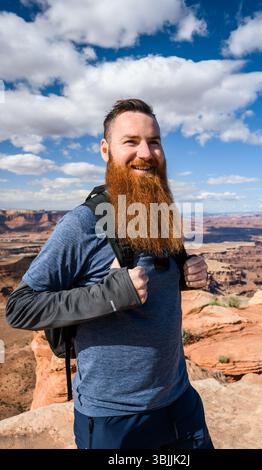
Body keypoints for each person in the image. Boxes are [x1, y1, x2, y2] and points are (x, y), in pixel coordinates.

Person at [6, 98, 214, 449]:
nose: (145, 152)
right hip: (115, 419)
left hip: (180, 404)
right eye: (130, 142)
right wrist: (108, 295)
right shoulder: (82, 223)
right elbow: (20, 307)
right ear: (106, 149)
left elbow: (153, 281)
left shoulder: (158, 215)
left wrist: (184, 275)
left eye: (154, 141)